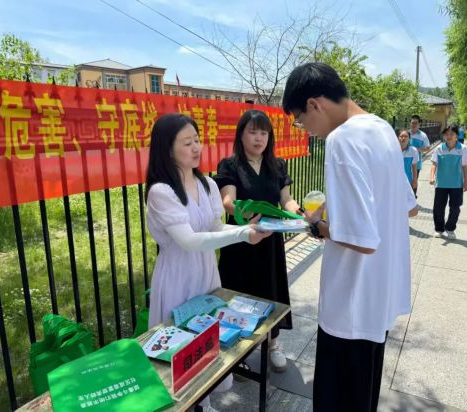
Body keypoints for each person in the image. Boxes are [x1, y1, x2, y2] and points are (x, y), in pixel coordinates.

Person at [282, 62, 418, 411]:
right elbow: (408, 207)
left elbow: (361, 240)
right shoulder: (382, 129)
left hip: (351, 305)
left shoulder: (342, 139)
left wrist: (318, 225)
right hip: (379, 298)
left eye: (301, 121)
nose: (307, 131)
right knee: (363, 397)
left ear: (314, 104)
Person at [145, 113, 271, 412]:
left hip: (206, 273)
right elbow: (189, 240)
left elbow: (214, 227)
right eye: (187, 142)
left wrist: (246, 231)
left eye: (197, 140)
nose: (196, 148)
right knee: (179, 345)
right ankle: (185, 404)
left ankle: (205, 401)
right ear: (167, 149)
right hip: (177, 277)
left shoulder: (207, 185)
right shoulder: (161, 192)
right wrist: (242, 233)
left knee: (207, 339)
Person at [214, 109, 301, 373]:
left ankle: (273, 344)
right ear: (241, 135)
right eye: (252, 132)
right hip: (240, 239)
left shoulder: (277, 165)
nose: (259, 138)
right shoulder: (230, 165)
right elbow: (227, 201)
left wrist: (298, 212)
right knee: (239, 291)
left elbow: (286, 199)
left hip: (270, 241)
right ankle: (237, 351)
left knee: (270, 289)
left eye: (264, 133)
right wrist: (245, 212)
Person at [429, 125, 467, 239]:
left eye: (452, 134)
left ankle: (450, 228)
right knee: (438, 208)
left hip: (456, 184)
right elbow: (434, 164)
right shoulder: (439, 148)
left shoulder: (462, 149)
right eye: (446, 134)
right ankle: (439, 229)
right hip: (441, 184)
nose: (449, 136)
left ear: (456, 136)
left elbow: (464, 166)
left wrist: (466, 182)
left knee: (455, 208)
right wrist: (431, 177)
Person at [409, 115, 430, 197]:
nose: (413, 125)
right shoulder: (406, 133)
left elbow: (427, 148)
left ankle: (413, 197)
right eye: (412, 123)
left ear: (419, 124)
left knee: (414, 180)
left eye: (416, 123)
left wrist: (416, 149)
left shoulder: (423, 135)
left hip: (416, 163)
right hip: (405, 163)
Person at [399, 129, 419, 195]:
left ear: (409, 138)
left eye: (406, 136)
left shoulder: (413, 150)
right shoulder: (393, 150)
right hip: (395, 181)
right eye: (401, 136)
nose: (403, 138)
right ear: (398, 138)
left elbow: (414, 166)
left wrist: (415, 180)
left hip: (408, 181)